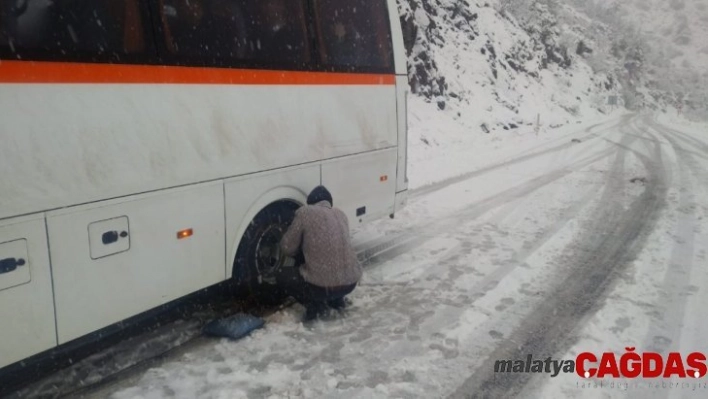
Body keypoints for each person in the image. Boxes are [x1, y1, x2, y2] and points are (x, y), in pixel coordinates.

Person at [278, 186, 362, 322]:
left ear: (310, 202)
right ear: (329, 203)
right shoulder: (341, 214)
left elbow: (287, 247)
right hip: (350, 283)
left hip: (320, 288)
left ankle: (314, 304)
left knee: (282, 275)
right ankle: (336, 300)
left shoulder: (305, 213)